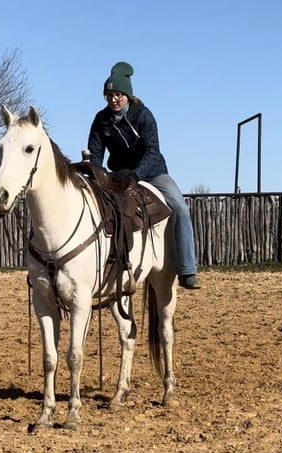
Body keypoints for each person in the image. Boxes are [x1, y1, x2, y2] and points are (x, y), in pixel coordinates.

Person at [87, 61, 200, 289]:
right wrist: (96, 176)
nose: (114, 99)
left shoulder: (143, 116)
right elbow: (96, 152)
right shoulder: (101, 119)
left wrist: (137, 174)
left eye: (118, 94)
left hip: (152, 172)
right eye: (109, 95)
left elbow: (152, 150)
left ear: (127, 95)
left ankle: (187, 269)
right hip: (118, 175)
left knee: (180, 208)